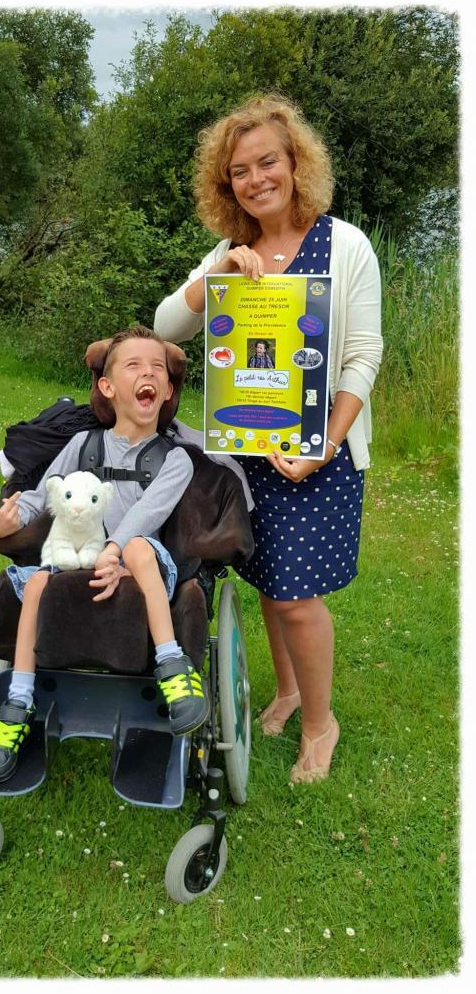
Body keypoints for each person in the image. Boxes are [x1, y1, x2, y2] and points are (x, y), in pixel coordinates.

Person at [155, 94, 383, 784]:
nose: (255, 180)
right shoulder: (231, 252)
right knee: (264, 580)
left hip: (318, 451)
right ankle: (285, 692)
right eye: (239, 172)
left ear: (294, 163)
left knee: (294, 595)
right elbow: (168, 327)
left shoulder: (345, 245)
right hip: (245, 449)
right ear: (226, 185)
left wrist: (326, 442)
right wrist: (214, 277)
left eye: (267, 163)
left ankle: (321, 722)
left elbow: (363, 355)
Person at [0, 326, 209, 783]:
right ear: (107, 387)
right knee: (39, 581)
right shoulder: (83, 446)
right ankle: (18, 702)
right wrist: (8, 517)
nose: (148, 373)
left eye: (157, 369)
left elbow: (149, 511)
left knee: (141, 544)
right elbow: (48, 492)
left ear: (166, 391)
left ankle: (171, 665)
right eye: (134, 366)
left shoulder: (175, 459)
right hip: (78, 559)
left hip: (142, 568)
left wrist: (115, 550)